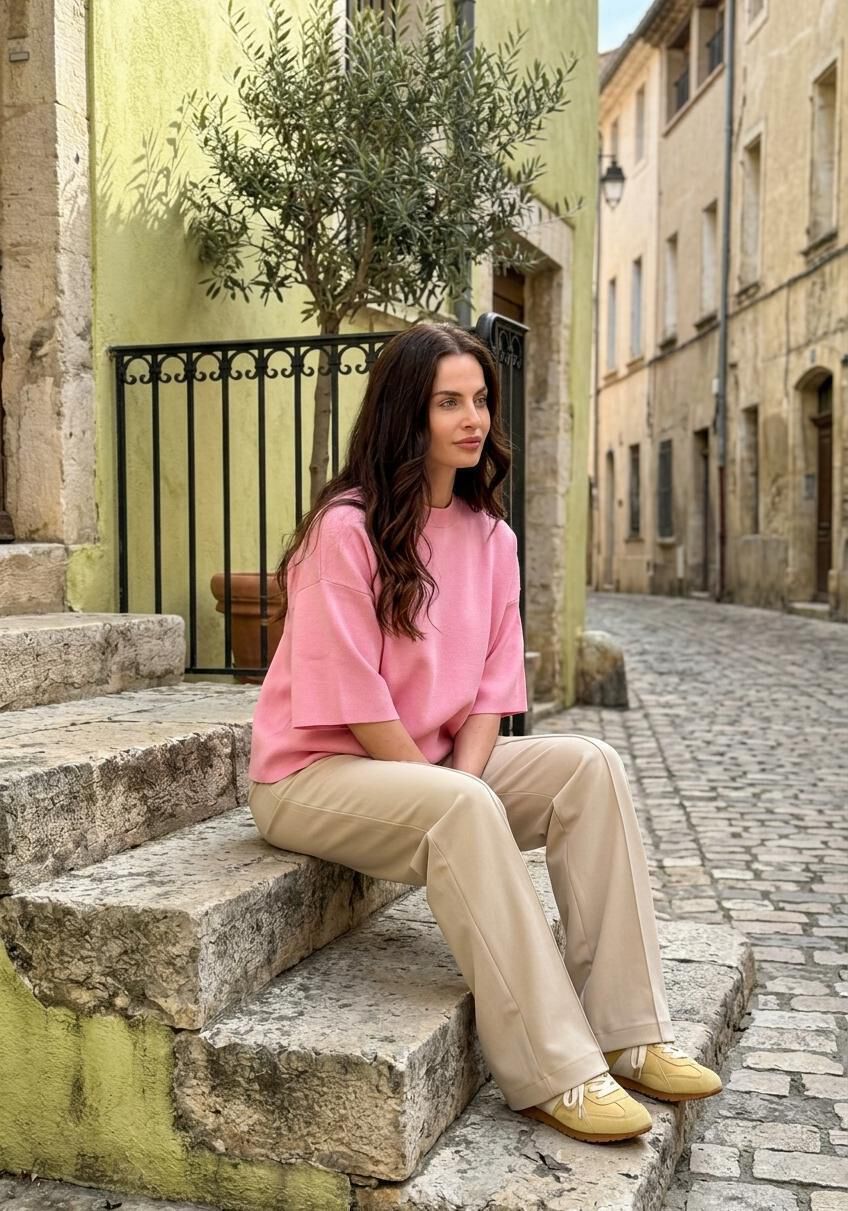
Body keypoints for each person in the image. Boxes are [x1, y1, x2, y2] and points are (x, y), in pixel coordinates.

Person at [247, 320, 722, 1146]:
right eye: (448, 402)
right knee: (460, 807)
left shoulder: (492, 537)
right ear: (406, 413)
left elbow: (490, 692)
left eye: (480, 400)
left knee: (589, 764)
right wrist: (457, 794)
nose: (473, 419)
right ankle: (555, 1070)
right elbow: (355, 698)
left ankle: (629, 1031)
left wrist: (463, 781)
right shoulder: (344, 530)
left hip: (431, 769)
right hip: (313, 775)